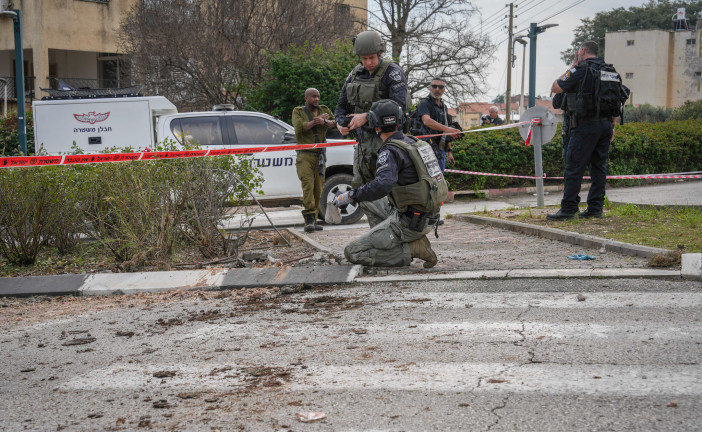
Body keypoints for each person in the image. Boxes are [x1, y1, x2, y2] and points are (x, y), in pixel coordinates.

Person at [332, 99, 448, 268]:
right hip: (427, 214)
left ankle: (412, 248)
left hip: (408, 222)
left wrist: (350, 195)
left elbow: (382, 186)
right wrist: (358, 195)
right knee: (365, 197)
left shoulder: (390, 151)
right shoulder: (415, 143)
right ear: (400, 121)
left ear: (374, 125)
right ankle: (386, 237)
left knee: (353, 252)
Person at [547, 40, 628, 221]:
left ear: (582, 51)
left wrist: (572, 66)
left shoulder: (581, 70)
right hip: (606, 126)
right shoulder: (611, 72)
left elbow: (556, 86)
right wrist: (612, 125)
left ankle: (568, 209)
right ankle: (595, 209)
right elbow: (619, 100)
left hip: (584, 126)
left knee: (574, 167)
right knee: (599, 168)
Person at [335, 29, 408, 227]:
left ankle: (397, 233)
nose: (368, 62)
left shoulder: (392, 72)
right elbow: (341, 106)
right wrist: (341, 123)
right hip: (363, 144)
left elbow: (399, 107)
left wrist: (366, 117)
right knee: (363, 189)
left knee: (390, 188)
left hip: (388, 141)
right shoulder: (355, 74)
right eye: (364, 58)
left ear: (380, 54)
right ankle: (378, 233)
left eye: (372, 58)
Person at [291, 88, 335, 232]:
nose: (316, 99)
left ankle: (314, 220)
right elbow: (299, 128)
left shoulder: (324, 109)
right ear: (306, 98)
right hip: (305, 155)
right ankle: (308, 220)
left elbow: (335, 124)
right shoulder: (298, 111)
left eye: (318, 96)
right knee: (308, 186)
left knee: (318, 189)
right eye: (313, 97)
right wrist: (316, 122)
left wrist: (325, 121)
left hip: (320, 156)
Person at [415, 77, 461, 172]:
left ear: (444, 90)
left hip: (440, 149)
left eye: (440, 87)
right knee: (429, 180)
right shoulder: (424, 103)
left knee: (440, 179)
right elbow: (427, 121)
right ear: (430, 88)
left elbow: (445, 130)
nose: (437, 89)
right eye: (434, 86)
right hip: (425, 149)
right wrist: (448, 129)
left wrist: (449, 151)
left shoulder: (444, 107)